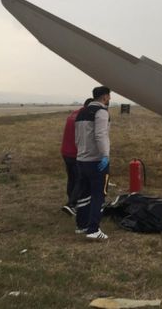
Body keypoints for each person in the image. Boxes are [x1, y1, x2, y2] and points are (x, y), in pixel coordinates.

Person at [74, 86, 111, 240]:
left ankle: (81, 225)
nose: (109, 99)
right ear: (104, 97)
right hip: (96, 161)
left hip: (81, 159)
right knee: (98, 195)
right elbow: (101, 135)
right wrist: (105, 155)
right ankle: (93, 229)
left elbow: (77, 137)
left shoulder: (81, 112)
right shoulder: (101, 112)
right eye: (109, 96)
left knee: (84, 193)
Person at [60, 98, 93, 216]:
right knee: (81, 179)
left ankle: (71, 201)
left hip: (65, 152)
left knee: (72, 178)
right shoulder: (84, 117)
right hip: (76, 153)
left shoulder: (73, 114)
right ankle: (71, 204)